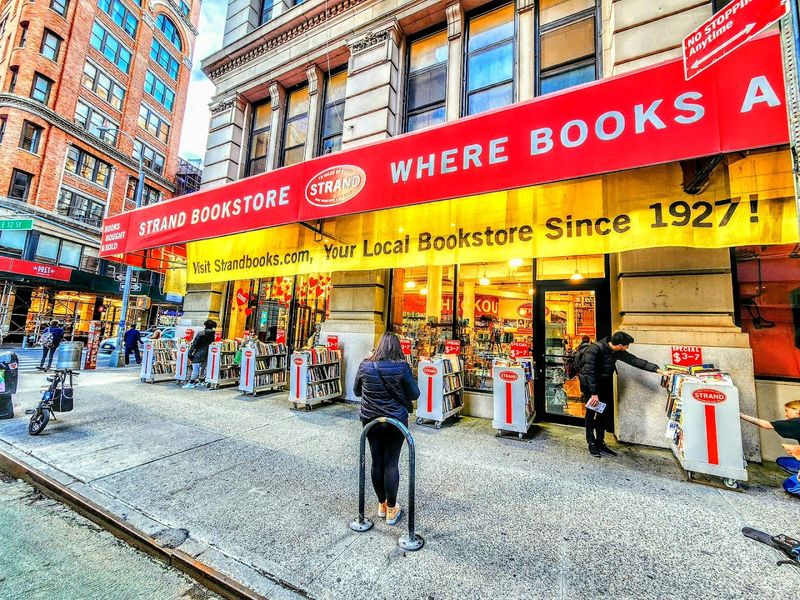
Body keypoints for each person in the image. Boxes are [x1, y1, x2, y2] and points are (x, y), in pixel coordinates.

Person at [353, 332, 420, 525]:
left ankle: (381, 504)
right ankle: (392, 509)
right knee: (392, 463)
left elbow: (357, 391)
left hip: (371, 421)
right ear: (398, 347)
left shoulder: (365, 365)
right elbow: (415, 394)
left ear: (379, 346)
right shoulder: (402, 367)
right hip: (395, 421)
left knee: (376, 461)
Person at [578, 331, 668, 458]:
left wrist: (658, 370)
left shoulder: (616, 351)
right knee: (590, 413)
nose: (627, 348)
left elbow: (635, 360)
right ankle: (591, 442)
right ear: (620, 345)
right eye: (626, 346)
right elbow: (589, 372)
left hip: (604, 386)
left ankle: (600, 442)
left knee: (603, 414)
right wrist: (594, 394)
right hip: (591, 387)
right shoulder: (595, 349)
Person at [740, 401, 800, 495]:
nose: (785, 414)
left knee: (789, 486)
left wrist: (742, 415)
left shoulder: (796, 423)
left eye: (787, 411)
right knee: (783, 461)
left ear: (796, 411)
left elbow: (766, 425)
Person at [184, 320, 216, 389]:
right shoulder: (212, 335)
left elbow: (194, 344)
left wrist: (190, 353)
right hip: (207, 354)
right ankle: (201, 381)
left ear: (205, 325)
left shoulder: (201, 333)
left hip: (198, 353)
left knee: (195, 369)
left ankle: (191, 383)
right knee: (203, 369)